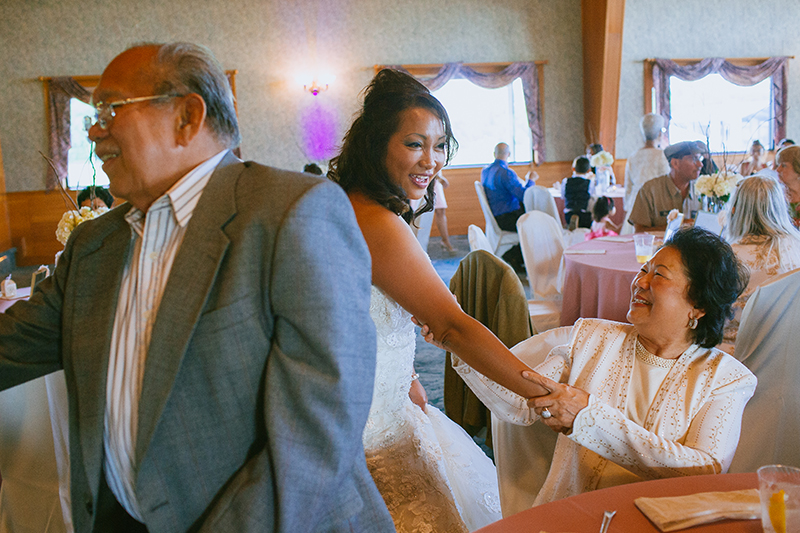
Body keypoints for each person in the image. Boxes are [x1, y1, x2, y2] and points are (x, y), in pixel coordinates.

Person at [0, 43, 393, 532]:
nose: (94, 131)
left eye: (109, 109)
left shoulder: (294, 212)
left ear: (188, 117)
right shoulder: (94, 245)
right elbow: (10, 345)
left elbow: (318, 431)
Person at [329, 69, 551, 532]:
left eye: (440, 146)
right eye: (415, 144)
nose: (431, 161)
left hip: (379, 399)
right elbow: (451, 326)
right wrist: (545, 392)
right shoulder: (376, 221)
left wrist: (407, 374)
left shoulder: (350, 203)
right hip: (370, 433)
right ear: (376, 145)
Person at [441, 228, 755, 506]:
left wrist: (589, 418)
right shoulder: (593, 338)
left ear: (699, 304)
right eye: (643, 270)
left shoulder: (725, 378)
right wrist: (457, 341)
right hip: (571, 513)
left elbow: (705, 467)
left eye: (658, 275)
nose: (640, 281)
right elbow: (520, 403)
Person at [720, 174, 800, 353]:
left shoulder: (728, 257)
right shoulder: (795, 246)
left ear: (735, 210)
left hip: (736, 352)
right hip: (788, 351)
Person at [628, 140, 704, 232]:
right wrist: (678, 227)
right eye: (694, 159)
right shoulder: (650, 190)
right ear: (675, 163)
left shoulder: (702, 190)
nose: (700, 164)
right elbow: (639, 232)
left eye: (699, 159)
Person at [481, 142, 534, 268]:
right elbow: (523, 196)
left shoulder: (485, 171)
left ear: (494, 154)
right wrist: (531, 180)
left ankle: (517, 258)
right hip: (508, 218)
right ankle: (512, 256)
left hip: (496, 216)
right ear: (509, 154)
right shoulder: (506, 173)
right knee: (535, 225)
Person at [623, 114, 669, 213]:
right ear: (660, 133)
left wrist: (627, 207)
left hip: (635, 203)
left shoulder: (633, 157)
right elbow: (666, 184)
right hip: (656, 203)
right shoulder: (662, 155)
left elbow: (628, 188)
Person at [560, 156, 594, 229]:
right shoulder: (589, 183)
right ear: (589, 170)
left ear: (573, 169)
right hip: (584, 215)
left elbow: (562, 196)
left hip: (569, 214)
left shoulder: (566, 181)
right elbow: (592, 197)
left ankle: (573, 222)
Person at [775, 144, 800, 226]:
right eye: (778, 165)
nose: (778, 169)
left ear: (798, 169)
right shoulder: (775, 195)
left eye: (784, 165)